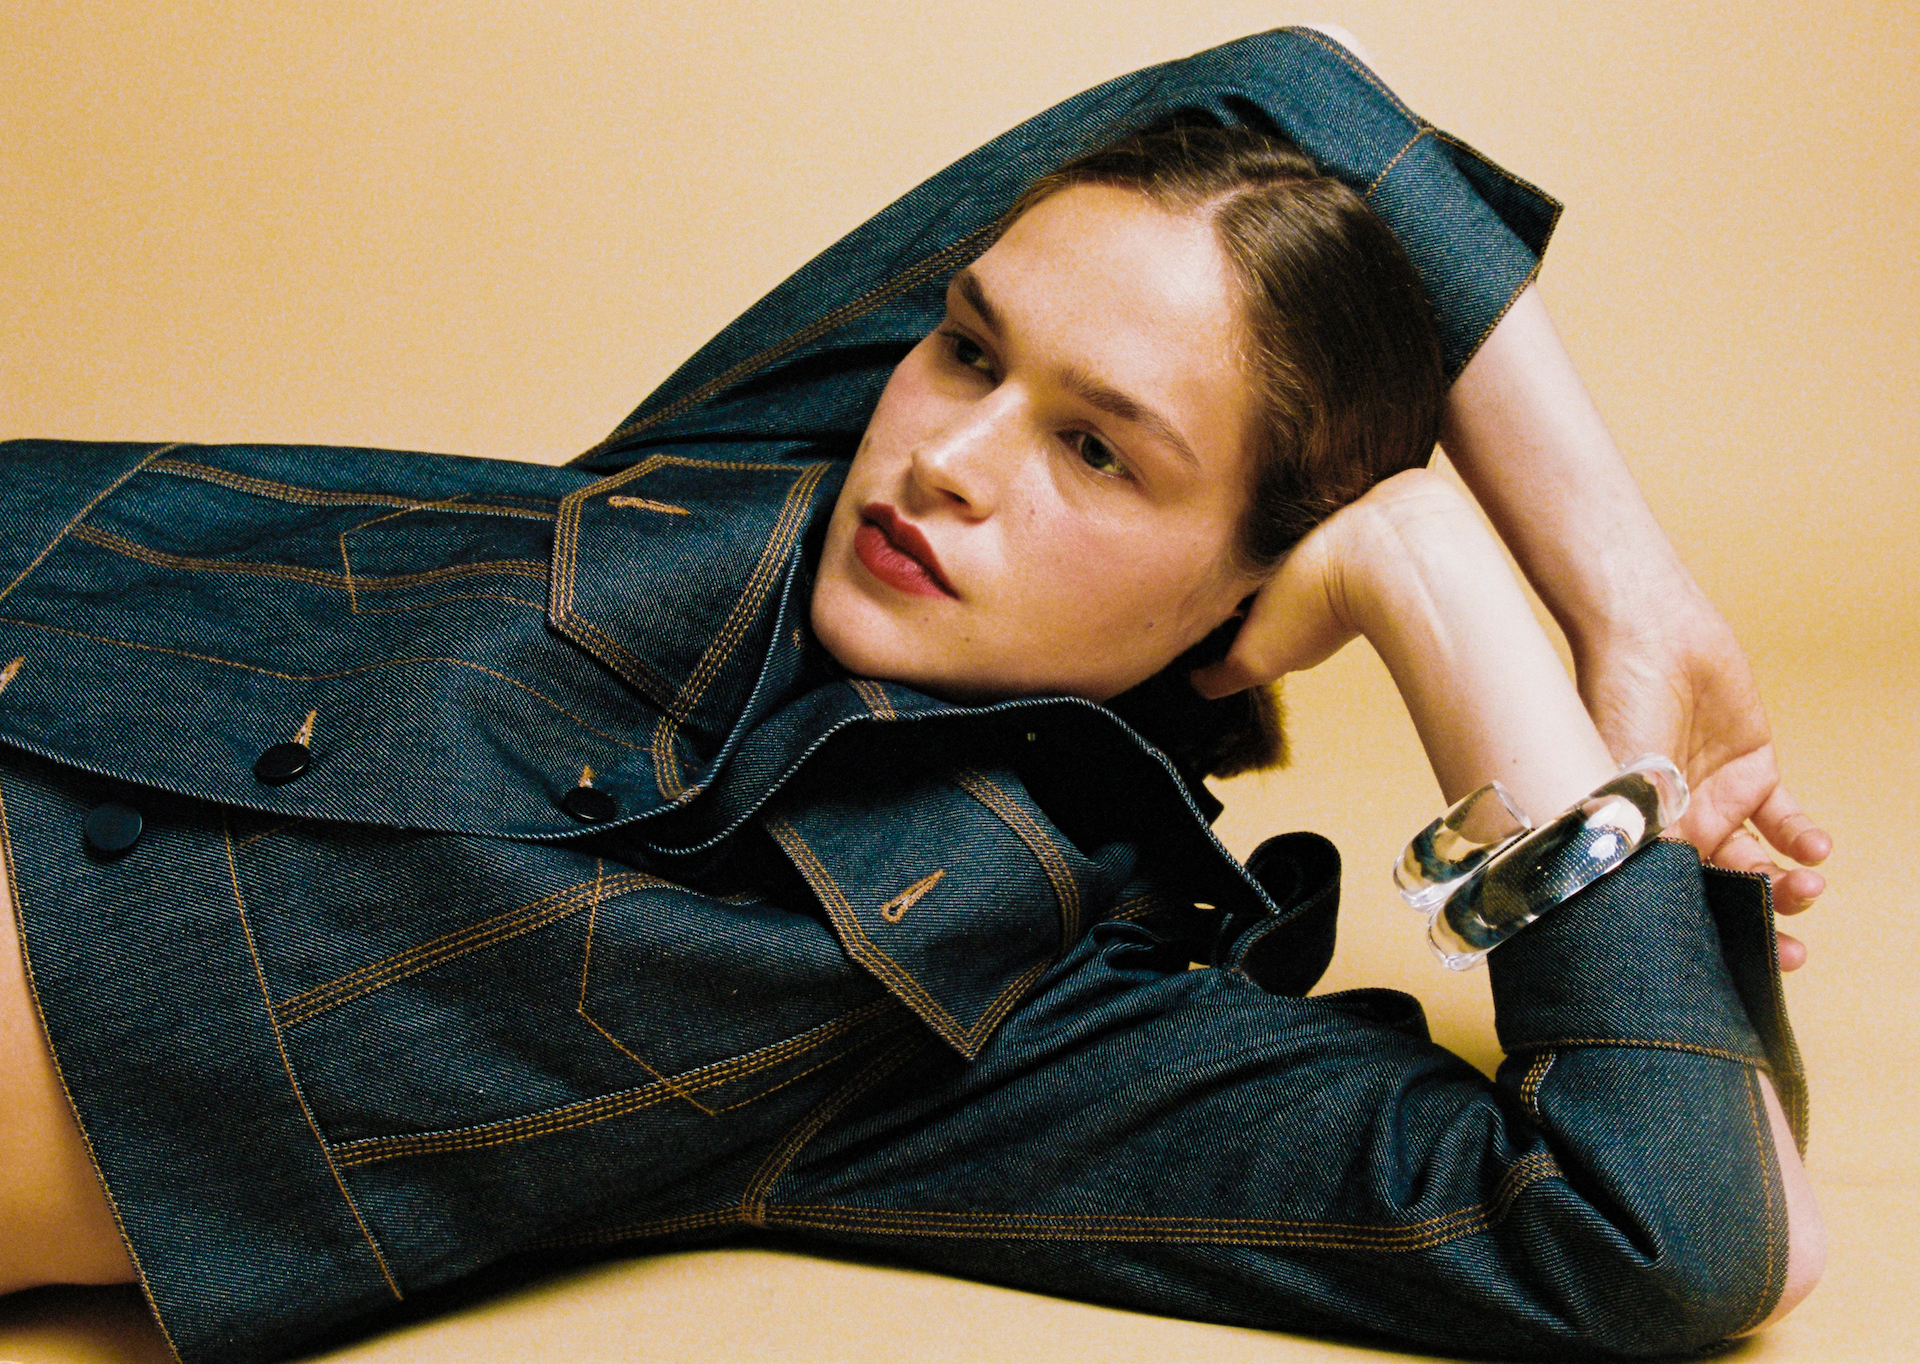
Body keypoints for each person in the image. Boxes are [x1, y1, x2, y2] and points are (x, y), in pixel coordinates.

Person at [0, 25, 1825, 1363]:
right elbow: (1291, 98)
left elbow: (1670, 1228)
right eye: (964, 347)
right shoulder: (752, 484)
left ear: (1257, 572)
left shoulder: (1000, 1016)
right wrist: (1630, 596)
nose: (950, 455)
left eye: (1099, 451)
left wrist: (1438, 572)